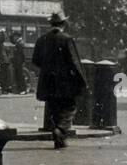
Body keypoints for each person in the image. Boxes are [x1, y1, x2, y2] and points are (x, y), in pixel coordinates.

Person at [31, 12, 87, 149]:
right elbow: (75, 62)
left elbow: (35, 60)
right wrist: (83, 80)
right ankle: (60, 130)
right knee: (69, 107)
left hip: (47, 81)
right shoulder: (67, 39)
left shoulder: (41, 39)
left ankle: (59, 139)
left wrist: (47, 68)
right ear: (64, 24)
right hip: (65, 81)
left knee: (54, 108)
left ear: (51, 24)